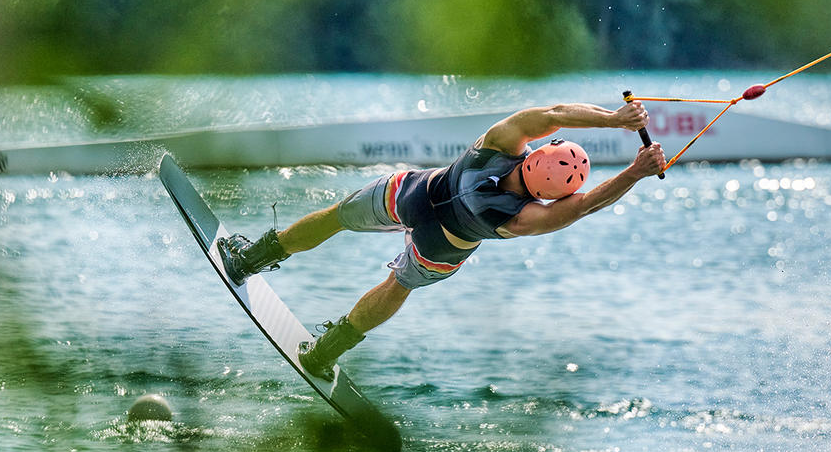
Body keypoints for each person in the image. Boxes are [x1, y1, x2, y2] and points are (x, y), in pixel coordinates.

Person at [216, 101, 668, 378]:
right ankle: (325, 353)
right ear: (556, 190)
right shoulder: (528, 216)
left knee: (336, 218)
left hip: (413, 195)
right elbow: (585, 206)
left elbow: (552, 115)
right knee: (400, 286)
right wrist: (635, 171)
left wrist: (615, 120)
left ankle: (251, 258)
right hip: (445, 246)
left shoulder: (499, 142)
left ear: (541, 153)